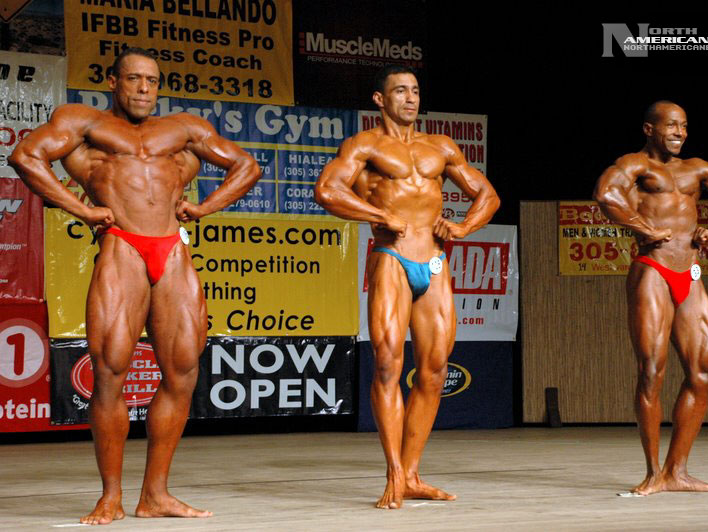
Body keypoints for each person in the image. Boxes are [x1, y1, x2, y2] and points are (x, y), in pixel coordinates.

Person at [10, 48, 260, 524]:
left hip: (172, 249)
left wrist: (204, 208)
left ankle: (155, 495)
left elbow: (246, 166)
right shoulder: (84, 122)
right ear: (113, 82)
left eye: (152, 80)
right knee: (110, 371)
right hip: (122, 245)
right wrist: (81, 209)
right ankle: (111, 496)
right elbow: (25, 156)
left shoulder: (184, 128)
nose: (144, 88)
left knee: (183, 371)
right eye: (134, 79)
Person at [315, 65, 499, 509]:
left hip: (433, 261)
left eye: (415, 90)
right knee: (386, 365)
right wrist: (379, 215)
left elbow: (488, 195)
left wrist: (463, 226)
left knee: (434, 370)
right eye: (400, 91)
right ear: (380, 100)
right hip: (391, 258)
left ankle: (413, 474)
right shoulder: (364, 145)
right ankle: (394, 472)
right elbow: (327, 190)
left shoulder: (441, 146)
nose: (411, 98)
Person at [593, 101, 708, 495]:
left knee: (703, 372)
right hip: (653, 269)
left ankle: (677, 472)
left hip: (691, 272)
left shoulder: (698, 169)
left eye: (683, 126)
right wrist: (642, 228)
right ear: (649, 129)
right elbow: (605, 194)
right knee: (652, 370)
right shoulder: (635, 165)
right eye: (671, 125)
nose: (679, 133)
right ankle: (653, 473)